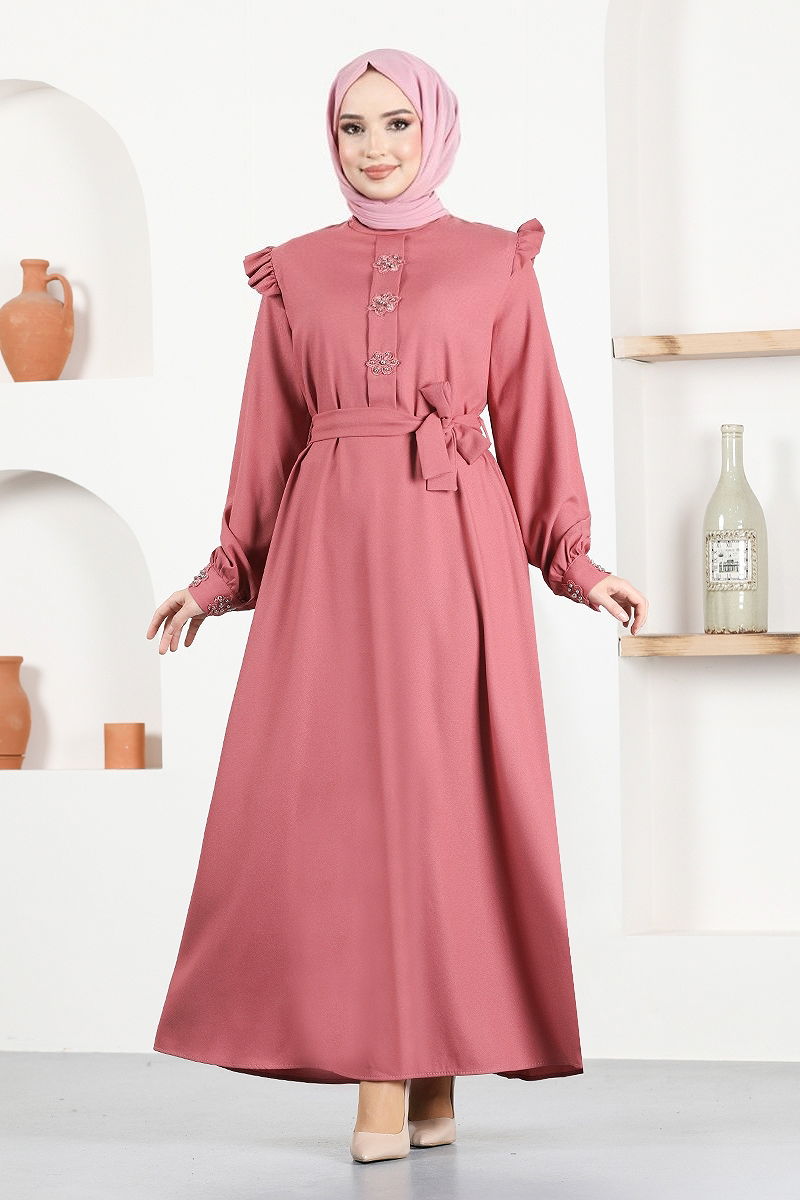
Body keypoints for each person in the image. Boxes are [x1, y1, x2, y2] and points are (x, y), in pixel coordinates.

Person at [147, 47, 648, 1165]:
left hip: (457, 555)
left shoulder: (494, 261)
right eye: (351, 128)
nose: (373, 148)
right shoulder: (294, 273)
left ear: (436, 130)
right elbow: (267, 438)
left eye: (395, 125)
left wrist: (575, 561)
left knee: (445, 800)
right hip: (330, 561)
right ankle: (395, 1078)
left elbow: (533, 418)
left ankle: (424, 1081)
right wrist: (222, 574)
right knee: (347, 808)